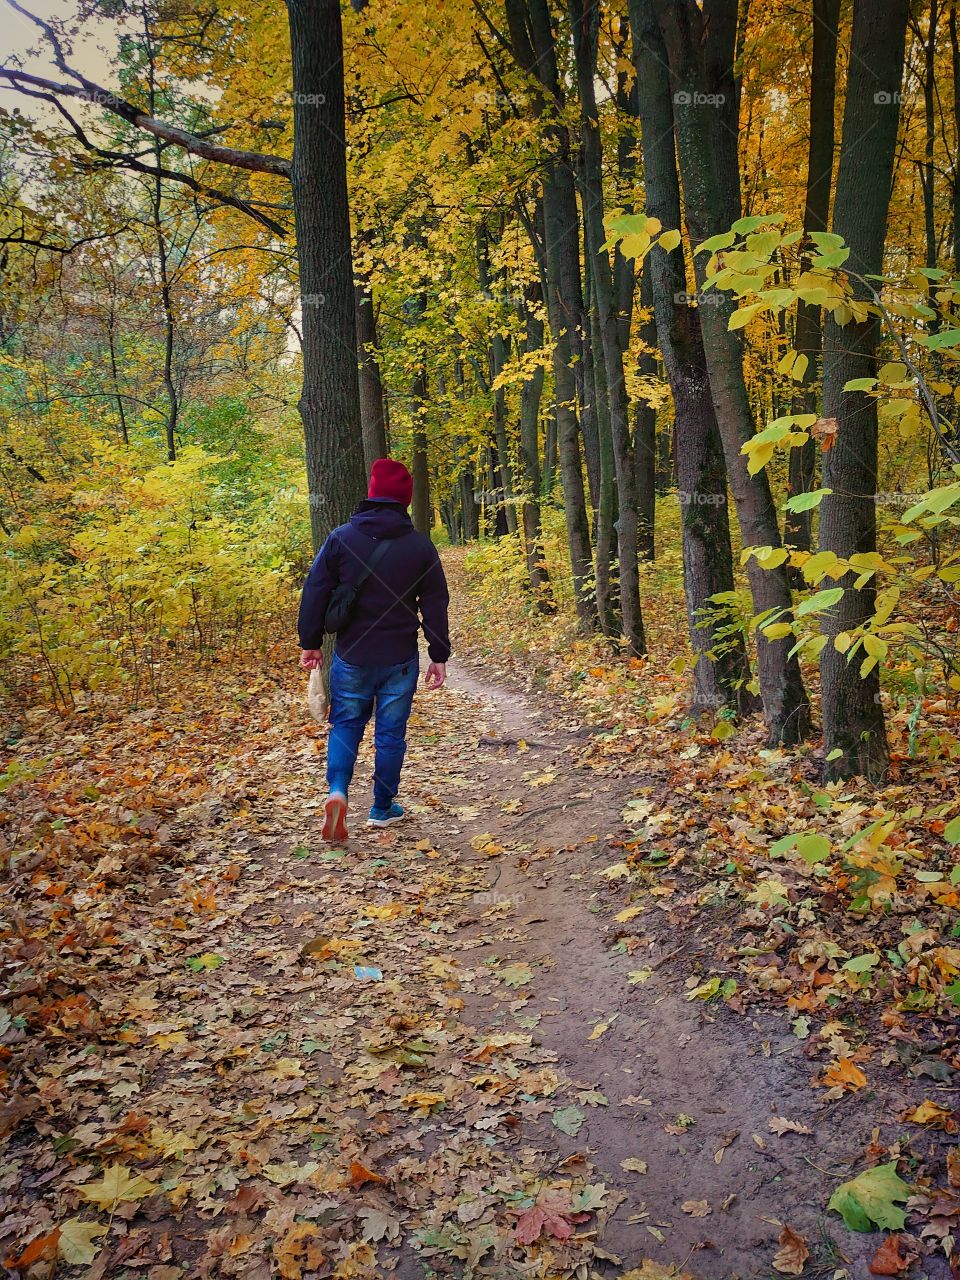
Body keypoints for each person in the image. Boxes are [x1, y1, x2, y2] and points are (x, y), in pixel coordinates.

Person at [298, 458, 451, 841]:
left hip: (351, 654)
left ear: (371, 493)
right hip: (399, 658)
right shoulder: (420, 546)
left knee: (346, 723)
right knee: (390, 734)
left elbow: (315, 590)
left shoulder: (341, 538)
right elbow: (435, 602)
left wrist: (310, 643)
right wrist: (438, 653)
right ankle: (382, 808)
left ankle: (337, 791)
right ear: (405, 500)